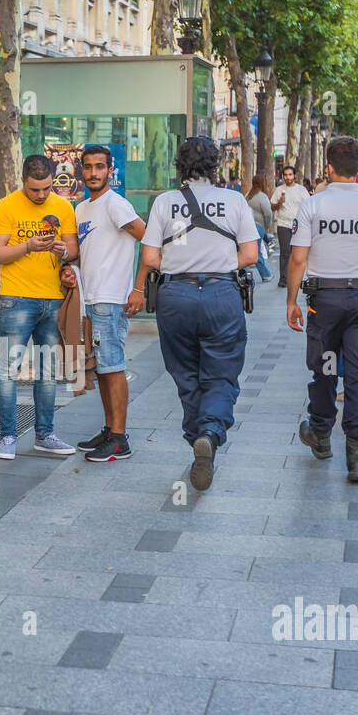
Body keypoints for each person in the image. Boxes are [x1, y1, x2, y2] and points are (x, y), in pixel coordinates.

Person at [139, 136, 260, 490]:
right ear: (215, 165)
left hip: (175, 295)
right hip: (222, 293)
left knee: (184, 370)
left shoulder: (165, 202)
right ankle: (210, 430)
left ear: (180, 164)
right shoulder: (234, 200)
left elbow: (149, 259)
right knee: (221, 372)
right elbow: (250, 255)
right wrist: (219, 264)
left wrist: (179, 266)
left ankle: (196, 435)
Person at [287, 136, 358, 484]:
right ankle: (357, 457)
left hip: (324, 303)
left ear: (328, 167)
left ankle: (321, 434)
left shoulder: (312, 206)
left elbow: (297, 258)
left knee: (324, 369)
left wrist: (291, 300)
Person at [0, 154, 80, 460]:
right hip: (16, 299)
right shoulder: (6, 206)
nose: (41, 195)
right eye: (35, 189)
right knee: (7, 371)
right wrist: (28, 246)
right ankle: (8, 437)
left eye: (46, 189)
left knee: (48, 372)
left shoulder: (63, 206)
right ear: (23, 181)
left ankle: (45, 434)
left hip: (52, 298)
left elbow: (74, 249)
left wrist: (63, 250)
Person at [72, 145, 147, 462]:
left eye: (99, 167)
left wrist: (139, 287)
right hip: (91, 298)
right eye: (88, 167)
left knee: (113, 367)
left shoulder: (116, 205)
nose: (93, 173)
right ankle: (109, 429)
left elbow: (149, 238)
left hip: (112, 298)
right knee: (103, 368)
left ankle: (119, 439)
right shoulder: (81, 209)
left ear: (110, 170)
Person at [270, 165, 309, 288]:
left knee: (296, 254)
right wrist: (279, 203)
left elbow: (308, 206)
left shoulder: (301, 190)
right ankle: (283, 279)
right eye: (286, 175)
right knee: (285, 252)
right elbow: (272, 207)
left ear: (294, 176)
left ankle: (296, 278)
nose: (288, 177)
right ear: (283, 177)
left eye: (290, 174)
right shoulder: (279, 190)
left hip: (298, 225)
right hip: (283, 224)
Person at [244, 174, 275, 281]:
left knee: (247, 251)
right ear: (262, 183)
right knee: (256, 252)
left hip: (246, 227)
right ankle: (266, 274)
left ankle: (244, 273)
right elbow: (268, 214)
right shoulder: (262, 196)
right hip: (258, 227)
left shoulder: (248, 196)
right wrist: (266, 227)